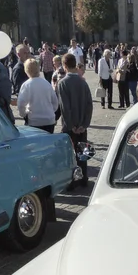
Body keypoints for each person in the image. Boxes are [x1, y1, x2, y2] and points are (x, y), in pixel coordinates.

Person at [56, 53, 93, 186]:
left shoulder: (62, 83)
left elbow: (65, 107)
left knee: (70, 155)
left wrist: (71, 125)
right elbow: (89, 104)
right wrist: (84, 124)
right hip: (82, 125)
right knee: (83, 153)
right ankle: (84, 178)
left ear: (64, 65)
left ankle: (72, 181)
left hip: (69, 126)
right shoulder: (83, 82)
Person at [17, 58, 59, 133]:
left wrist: (24, 114)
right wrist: (50, 111)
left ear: (26, 70)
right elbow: (55, 102)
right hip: (49, 120)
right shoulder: (46, 83)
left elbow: (21, 104)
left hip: (34, 120)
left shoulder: (26, 85)